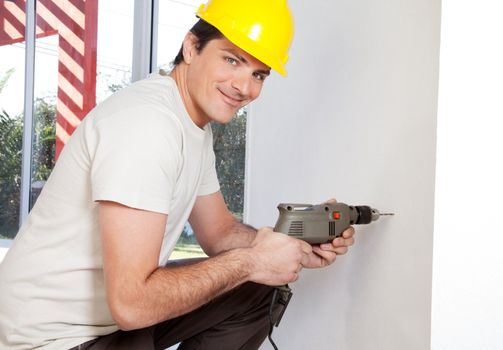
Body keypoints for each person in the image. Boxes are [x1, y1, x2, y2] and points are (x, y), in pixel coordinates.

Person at [0, 0, 355, 349]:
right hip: (48, 338)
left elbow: (220, 233)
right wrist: (253, 260)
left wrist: (289, 246)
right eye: (232, 60)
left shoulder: (191, 126)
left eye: (258, 74)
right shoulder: (148, 125)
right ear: (191, 47)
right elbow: (132, 304)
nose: (243, 87)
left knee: (255, 287)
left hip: (109, 321)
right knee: (246, 271)